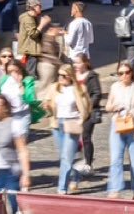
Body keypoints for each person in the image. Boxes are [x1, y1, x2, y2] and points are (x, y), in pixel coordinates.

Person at [43, 64, 90, 195]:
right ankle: (76, 176)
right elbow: (47, 101)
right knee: (64, 156)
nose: (60, 78)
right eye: (59, 75)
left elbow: (85, 109)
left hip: (71, 124)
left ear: (70, 76)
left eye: (63, 75)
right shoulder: (54, 88)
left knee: (66, 157)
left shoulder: (78, 89)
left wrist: (80, 121)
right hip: (58, 124)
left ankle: (62, 188)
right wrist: (46, 106)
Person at [106, 63, 134, 199]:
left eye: (126, 72)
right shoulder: (114, 87)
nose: (124, 75)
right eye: (120, 73)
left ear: (132, 73)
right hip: (117, 126)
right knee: (115, 159)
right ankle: (115, 189)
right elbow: (107, 106)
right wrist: (113, 107)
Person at [73, 54, 103, 175]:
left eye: (79, 63)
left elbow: (97, 93)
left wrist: (88, 106)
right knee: (73, 136)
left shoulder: (91, 76)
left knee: (86, 136)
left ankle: (88, 164)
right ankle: (78, 156)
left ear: (85, 63)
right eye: (74, 63)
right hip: (74, 111)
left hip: (89, 112)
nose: (76, 65)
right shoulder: (73, 76)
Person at [0, 60, 36, 137]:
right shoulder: (4, 79)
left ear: (21, 69)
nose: (13, 74)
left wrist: (20, 84)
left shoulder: (27, 80)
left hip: (21, 115)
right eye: (10, 71)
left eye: (16, 71)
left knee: (20, 140)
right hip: (7, 115)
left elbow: (30, 99)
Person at [18, 0, 50, 76]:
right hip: (31, 51)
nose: (41, 8)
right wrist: (42, 24)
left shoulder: (34, 17)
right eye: (39, 6)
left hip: (34, 50)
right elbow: (33, 34)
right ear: (33, 7)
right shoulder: (28, 19)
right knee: (31, 74)